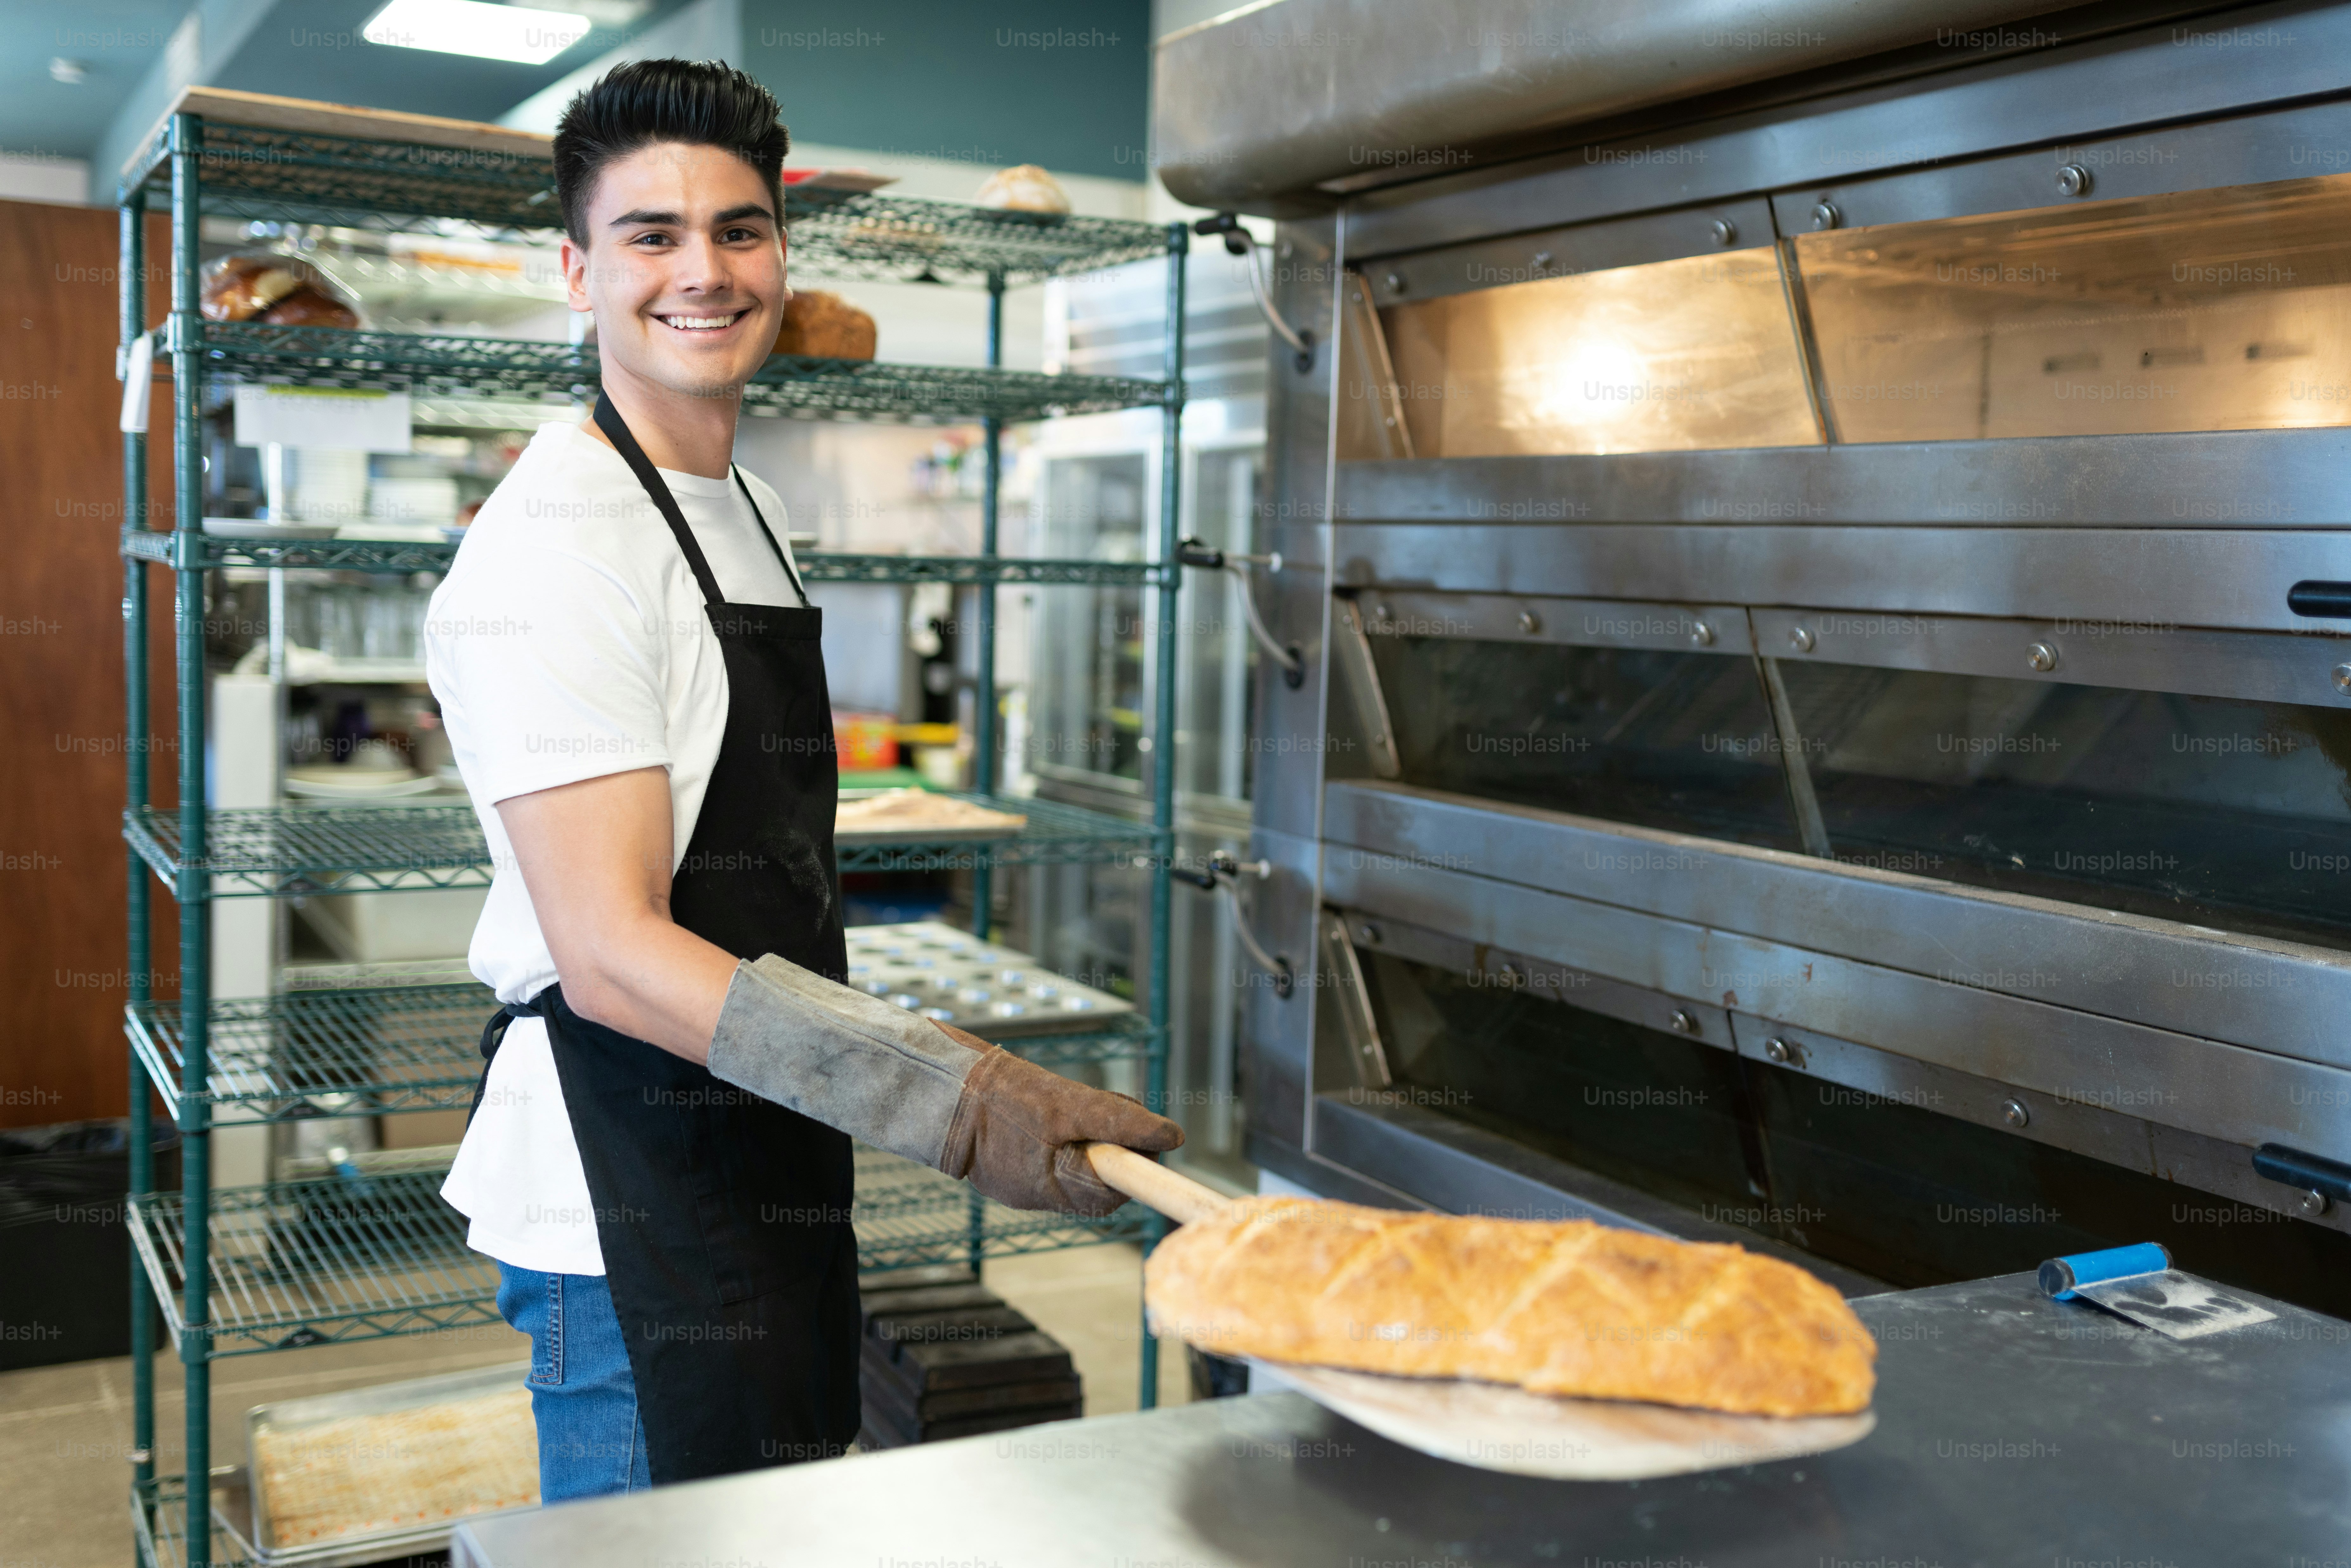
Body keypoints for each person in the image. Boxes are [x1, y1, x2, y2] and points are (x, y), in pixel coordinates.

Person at [423, 57, 1181, 1501]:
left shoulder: (746, 504)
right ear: (575, 270)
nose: (702, 271)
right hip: (625, 1176)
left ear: (782, 250)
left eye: (741, 229)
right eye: (651, 235)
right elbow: (612, 956)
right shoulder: (559, 545)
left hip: (761, 1129)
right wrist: (950, 1099)